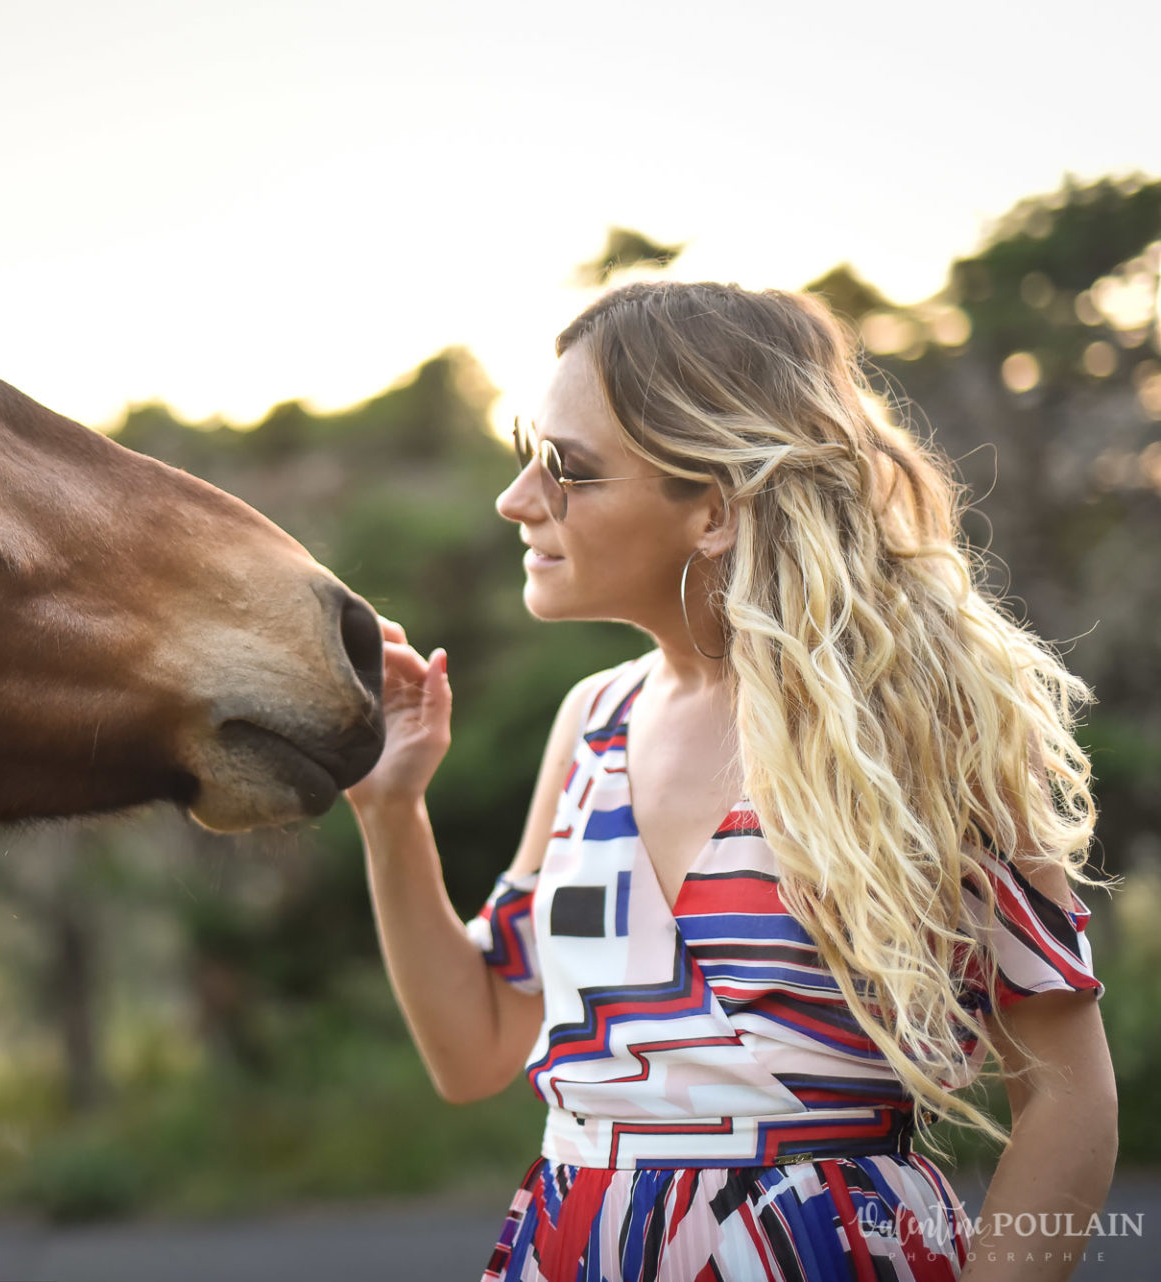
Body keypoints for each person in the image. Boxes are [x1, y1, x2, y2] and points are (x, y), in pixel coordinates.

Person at [344, 281, 1117, 1281]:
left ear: (710, 507)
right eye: (526, 459)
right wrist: (390, 810)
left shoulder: (914, 719)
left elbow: (1068, 1094)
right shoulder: (592, 722)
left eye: (566, 470)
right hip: (576, 1248)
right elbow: (476, 1048)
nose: (517, 499)